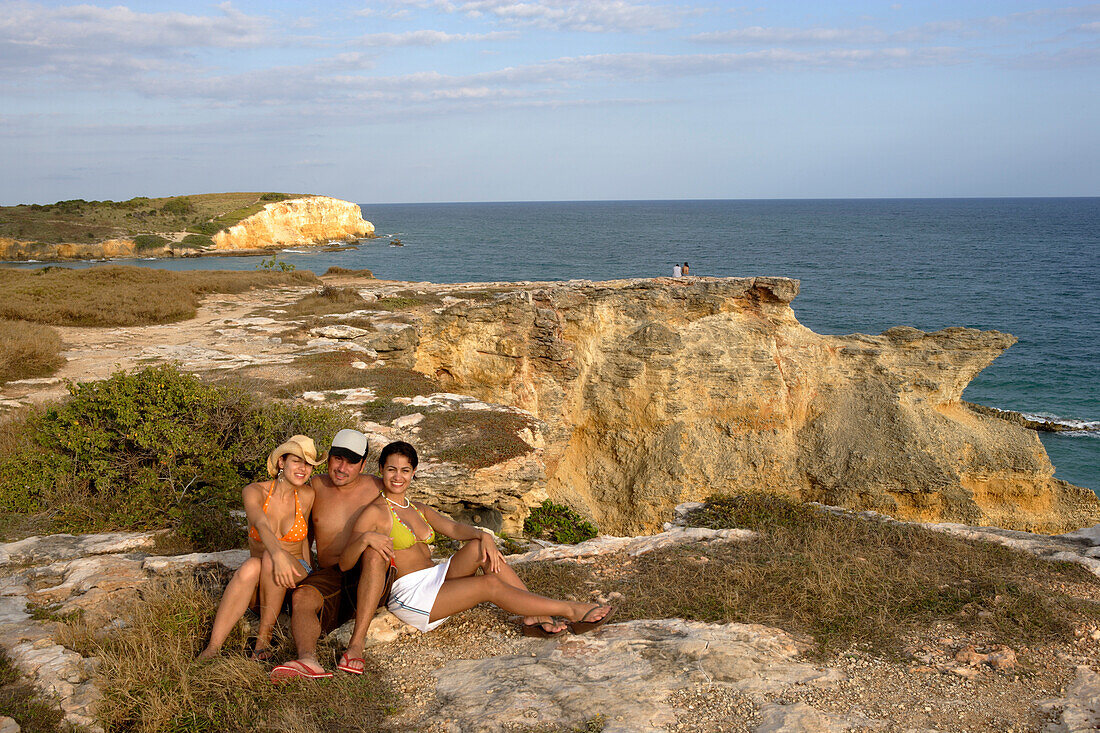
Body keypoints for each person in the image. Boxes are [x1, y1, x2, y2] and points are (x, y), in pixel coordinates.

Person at [340, 441, 613, 639]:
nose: (397, 477)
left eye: (405, 470)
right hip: (411, 596)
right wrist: (365, 539)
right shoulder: (375, 512)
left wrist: (484, 535)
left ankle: (536, 616)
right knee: (489, 584)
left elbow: (455, 529)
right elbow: (345, 563)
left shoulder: (417, 507)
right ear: (381, 469)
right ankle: (571, 610)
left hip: (434, 578)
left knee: (478, 549)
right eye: (391, 470)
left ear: (413, 473)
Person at [269, 429, 392, 681]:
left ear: (363, 464)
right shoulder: (315, 487)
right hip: (331, 574)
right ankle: (308, 660)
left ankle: (356, 646)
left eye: (351, 461)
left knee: (373, 553)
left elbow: (409, 517)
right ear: (328, 458)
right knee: (302, 596)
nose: (342, 467)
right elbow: (302, 533)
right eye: (337, 458)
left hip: (370, 572)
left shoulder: (378, 487)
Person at [199, 435, 323, 661]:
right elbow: (261, 524)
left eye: (308, 464)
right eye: (297, 461)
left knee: (267, 559)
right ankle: (212, 648)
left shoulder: (307, 495)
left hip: (297, 570)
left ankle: (263, 641)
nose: (303, 469)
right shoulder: (254, 492)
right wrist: (277, 554)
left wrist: (312, 575)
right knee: (250, 567)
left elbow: (304, 540)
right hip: (265, 571)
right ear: (281, 462)